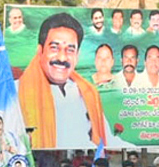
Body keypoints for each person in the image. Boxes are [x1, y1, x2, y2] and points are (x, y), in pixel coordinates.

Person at [17, 11, 110, 149]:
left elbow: (108, 140)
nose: (62, 58)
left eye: (70, 50)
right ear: (40, 51)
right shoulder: (15, 93)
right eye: (54, 48)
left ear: (77, 56)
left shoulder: (87, 94)